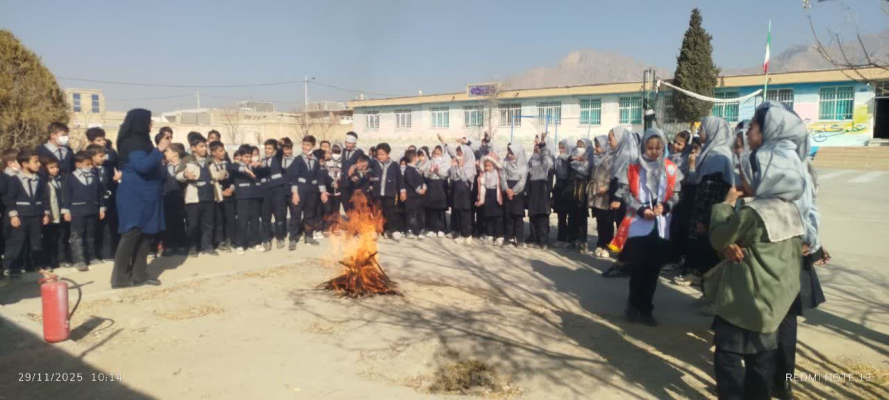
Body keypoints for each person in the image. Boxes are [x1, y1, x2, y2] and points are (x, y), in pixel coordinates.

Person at [708, 104, 807, 399]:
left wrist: (726, 203)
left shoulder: (754, 213)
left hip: (743, 302)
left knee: (728, 358)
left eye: (748, 173)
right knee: (761, 365)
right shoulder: (791, 209)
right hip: (771, 307)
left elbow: (718, 237)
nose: (742, 180)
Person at [619, 128, 681, 327]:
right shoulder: (632, 167)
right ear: (643, 147)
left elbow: (677, 194)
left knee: (653, 271)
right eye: (650, 147)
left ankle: (646, 308)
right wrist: (640, 209)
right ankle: (633, 304)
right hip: (638, 225)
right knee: (638, 268)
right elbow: (625, 193)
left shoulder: (671, 168)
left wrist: (666, 206)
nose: (654, 151)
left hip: (660, 226)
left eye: (658, 148)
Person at [680, 117, 736, 314]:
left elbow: (712, 192)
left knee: (711, 256)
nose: (700, 132)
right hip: (706, 212)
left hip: (712, 215)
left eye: (703, 128)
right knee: (705, 255)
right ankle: (708, 296)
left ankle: (715, 301)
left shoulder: (718, 157)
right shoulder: (710, 153)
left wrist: (705, 220)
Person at [111, 109, 168, 289]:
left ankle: (139, 275)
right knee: (131, 234)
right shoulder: (131, 142)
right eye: (149, 121)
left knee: (146, 235)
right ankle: (120, 278)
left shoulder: (144, 141)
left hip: (148, 194)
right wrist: (159, 150)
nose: (151, 124)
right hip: (135, 195)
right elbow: (142, 166)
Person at [2, 150, 49, 278]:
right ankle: (12, 267)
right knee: (17, 242)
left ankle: (33, 265)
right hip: (21, 215)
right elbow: (10, 199)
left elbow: (44, 197)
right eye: (35, 162)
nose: (39, 164)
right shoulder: (15, 179)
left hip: (36, 214)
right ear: (25, 164)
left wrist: (45, 213)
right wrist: (13, 215)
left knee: (36, 242)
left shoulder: (40, 179)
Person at [602, 126, 638, 278]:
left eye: (611, 139)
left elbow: (626, 180)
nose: (609, 142)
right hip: (618, 192)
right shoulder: (618, 154)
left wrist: (617, 198)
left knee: (625, 227)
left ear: (620, 139)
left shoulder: (628, 155)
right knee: (621, 226)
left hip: (625, 196)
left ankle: (626, 262)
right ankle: (623, 259)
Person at [62, 151, 105, 272]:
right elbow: (66, 195)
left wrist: (101, 208)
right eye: (87, 164)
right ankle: (79, 260)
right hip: (77, 212)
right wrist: (66, 211)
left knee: (91, 235)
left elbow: (100, 194)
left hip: (92, 210)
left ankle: (92, 257)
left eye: (91, 164)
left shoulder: (94, 177)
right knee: (77, 236)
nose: (90, 167)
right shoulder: (70, 178)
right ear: (78, 164)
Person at [176, 133, 217, 257]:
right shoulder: (187, 160)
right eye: (201, 146)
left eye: (205, 146)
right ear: (193, 148)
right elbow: (178, 175)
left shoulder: (210, 160)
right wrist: (185, 175)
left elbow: (216, 174)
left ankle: (207, 246)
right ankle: (193, 247)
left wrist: (222, 174)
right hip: (194, 198)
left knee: (208, 223)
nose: (204, 149)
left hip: (209, 196)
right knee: (193, 224)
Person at [287, 135, 326, 249]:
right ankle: (293, 239)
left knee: (310, 215)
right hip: (300, 192)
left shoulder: (315, 160)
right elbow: (293, 178)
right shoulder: (298, 159)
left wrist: (323, 192)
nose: (305, 147)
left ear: (313, 146)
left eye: (308, 145)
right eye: (303, 144)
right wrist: (295, 193)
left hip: (312, 192)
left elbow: (320, 177)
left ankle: (308, 236)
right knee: (296, 215)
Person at [228, 146, 263, 254]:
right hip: (242, 197)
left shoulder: (254, 165)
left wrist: (259, 164)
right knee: (242, 221)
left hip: (254, 196)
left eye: (250, 156)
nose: (248, 159)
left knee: (255, 221)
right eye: (246, 157)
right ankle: (239, 244)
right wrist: (246, 170)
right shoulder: (236, 166)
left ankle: (254, 243)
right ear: (240, 156)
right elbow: (231, 167)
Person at [369, 143, 406, 240]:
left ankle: (392, 230)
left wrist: (402, 191)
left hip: (390, 194)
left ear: (388, 154)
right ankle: (377, 230)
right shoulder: (374, 163)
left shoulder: (394, 165)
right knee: (377, 213)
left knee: (391, 213)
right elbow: (368, 174)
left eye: (382, 154)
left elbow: (400, 179)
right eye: (378, 154)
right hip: (377, 194)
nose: (380, 156)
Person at [159, 140, 187, 256]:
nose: (165, 153)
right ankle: (168, 246)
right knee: (168, 223)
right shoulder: (164, 167)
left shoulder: (185, 166)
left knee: (180, 222)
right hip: (166, 198)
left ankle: (182, 245)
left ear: (175, 153)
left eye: (168, 151)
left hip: (181, 198)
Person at [259, 139, 288, 250]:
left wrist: (280, 144)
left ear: (274, 150)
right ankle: (266, 239)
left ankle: (280, 237)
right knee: (265, 217)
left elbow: (280, 151)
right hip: (265, 191)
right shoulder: (261, 160)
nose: (267, 150)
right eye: (266, 148)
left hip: (277, 191)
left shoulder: (277, 158)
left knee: (279, 215)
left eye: (270, 148)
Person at [527, 134, 553, 249]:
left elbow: (545, 158)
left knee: (542, 216)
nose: (536, 147)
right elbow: (528, 169)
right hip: (533, 189)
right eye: (535, 145)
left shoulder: (545, 162)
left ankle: (543, 241)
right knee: (533, 215)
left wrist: (542, 144)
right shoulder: (532, 160)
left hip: (541, 189)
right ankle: (535, 239)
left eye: (538, 146)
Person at [42, 157, 68, 270]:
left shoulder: (63, 179)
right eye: (51, 168)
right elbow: (44, 199)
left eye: (57, 167)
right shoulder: (44, 181)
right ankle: (49, 261)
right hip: (51, 214)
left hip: (62, 212)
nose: (55, 170)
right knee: (49, 239)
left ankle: (62, 259)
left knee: (62, 238)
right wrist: (46, 213)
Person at [589, 135, 613, 258]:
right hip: (597, 194)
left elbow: (614, 178)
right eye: (595, 146)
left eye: (598, 146)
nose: (596, 148)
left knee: (607, 221)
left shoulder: (610, 159)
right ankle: (600, 243)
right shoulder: (597, 159)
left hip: (606, 196)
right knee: (599, 221)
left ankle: (608, 245)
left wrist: (607, 187)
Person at [447, 142, 476, 244]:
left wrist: (461, 166)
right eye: (458, 154)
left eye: (460, 154)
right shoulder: (457, 164)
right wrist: (453, 166)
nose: (458, 156)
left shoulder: (470, 165)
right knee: (457, 212)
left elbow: (464, 178)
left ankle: (467, 235)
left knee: (465, 213)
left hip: (465, 193)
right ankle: (460, 233)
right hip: (456, 192)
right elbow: (453, 177)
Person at [209, 141, 235, 252]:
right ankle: (219, 241)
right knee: (219, 220)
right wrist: (221, 192)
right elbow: (211, 182)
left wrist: (231, 188)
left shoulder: (228, 164)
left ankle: (230, 239)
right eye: (220, 151)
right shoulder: (209, 165)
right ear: (213, 153)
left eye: (223, 150)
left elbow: (234, 179)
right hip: (217, 197)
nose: (223, 152)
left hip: (229, 195)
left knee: (230, 218)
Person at [567, 139, 592, 251]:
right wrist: (573, 159)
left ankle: (582, 240)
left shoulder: (590, 161)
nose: (579, 149)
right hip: (573, 189)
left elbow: (588, 170)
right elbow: (568, 162)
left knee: (582, 216)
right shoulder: (572, 161)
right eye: (578, 146)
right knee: (572, 215)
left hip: (583, 190)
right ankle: (572, 239)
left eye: (581, 147)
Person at [476, 152, 503, 245]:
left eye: (489, 166)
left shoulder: (497, 173)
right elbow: (482, 186)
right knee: (488, 216)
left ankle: (499, 236)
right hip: (488, 195)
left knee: (497, 217)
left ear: (494, 165)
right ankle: (489, 235)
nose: (487, 168)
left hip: (496, 195)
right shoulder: (483, 174)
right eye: (486, 166)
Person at [423, 145, 450, 238]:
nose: (436, 155)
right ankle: (432, 229)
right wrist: (431, 172)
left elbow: (445, 175)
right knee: (431, 209)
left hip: (441, 186)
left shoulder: (445, 162)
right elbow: (426, 174)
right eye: (435, 153)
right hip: (431, 185)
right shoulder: (429, 162)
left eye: (438, 154)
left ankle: (441, 229)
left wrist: (438, 171)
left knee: (440, 209)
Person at [553, 139, 573, 246]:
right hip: (559, 186)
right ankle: (561, 237)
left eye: (563, 148)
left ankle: (570, 238)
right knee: (561, 215)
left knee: (570, 215)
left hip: (568, 187)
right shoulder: (558, 159)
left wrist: (565, 157)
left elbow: (569, 159)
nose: (561, 150)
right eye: (559, 148)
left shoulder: (570, 159)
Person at [402, 150, 426, 239]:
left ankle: (419, 230)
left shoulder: (416, 168)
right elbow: (410, 181)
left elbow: (421, 179)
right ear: (415, 158)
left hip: (418, 196)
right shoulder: (408, 169)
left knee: (419, 213)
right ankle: (410, 230)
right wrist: (419, 190)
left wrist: (424, 186)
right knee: (411, 214)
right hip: (411, 196)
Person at [322, 142, 344, 232]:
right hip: (328, 190)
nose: (336, 153)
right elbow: (324, 175)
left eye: (338, 151)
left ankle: (335, 226)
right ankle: (326, 226)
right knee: (327, 209)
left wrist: (340, 181)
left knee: (336, 209)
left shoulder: (343, 162)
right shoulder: (327, 161)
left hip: (338, 191)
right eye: (334, 151)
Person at [340, 132, 365, 212]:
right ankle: (350, 218)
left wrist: (355, 169)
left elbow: (363, 165)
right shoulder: (342, 151)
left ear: (354, 143)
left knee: (355, 205)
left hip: (354, 184)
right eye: (346, 142)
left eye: (350, 143)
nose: (347, 144)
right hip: (343, 183)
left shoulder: (359, 152)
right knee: (345, 204)